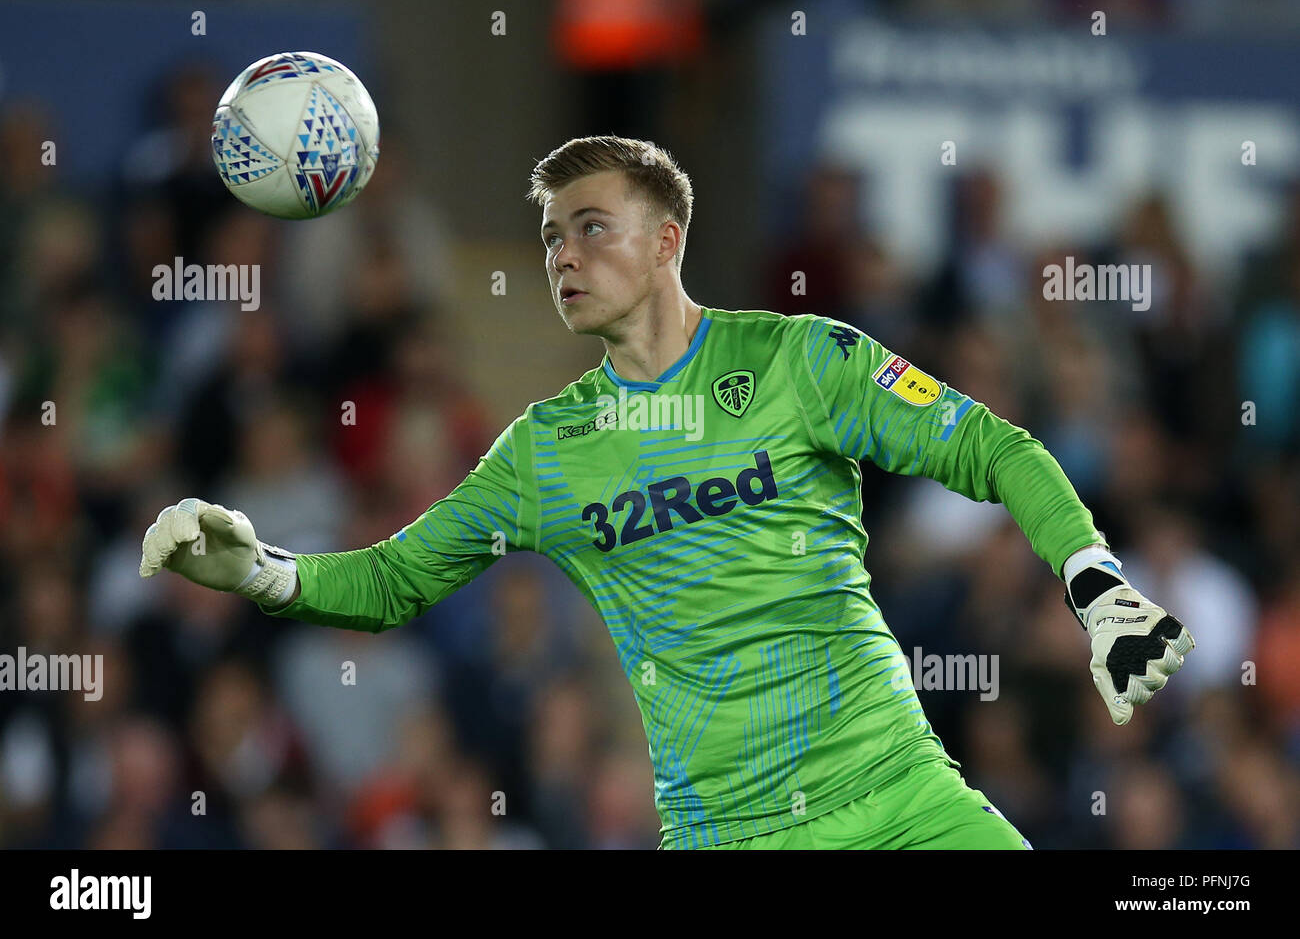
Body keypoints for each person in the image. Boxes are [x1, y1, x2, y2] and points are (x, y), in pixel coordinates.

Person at [140, 136, 1195, 850]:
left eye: (590, 225)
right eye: (551, 234)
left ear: (666, 241)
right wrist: (265, 570)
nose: (562, 253)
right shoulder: (546, 449)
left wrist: (1097, 586)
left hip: (905, 802)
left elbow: (998, 449)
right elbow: (393, 579)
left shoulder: (799, 360)